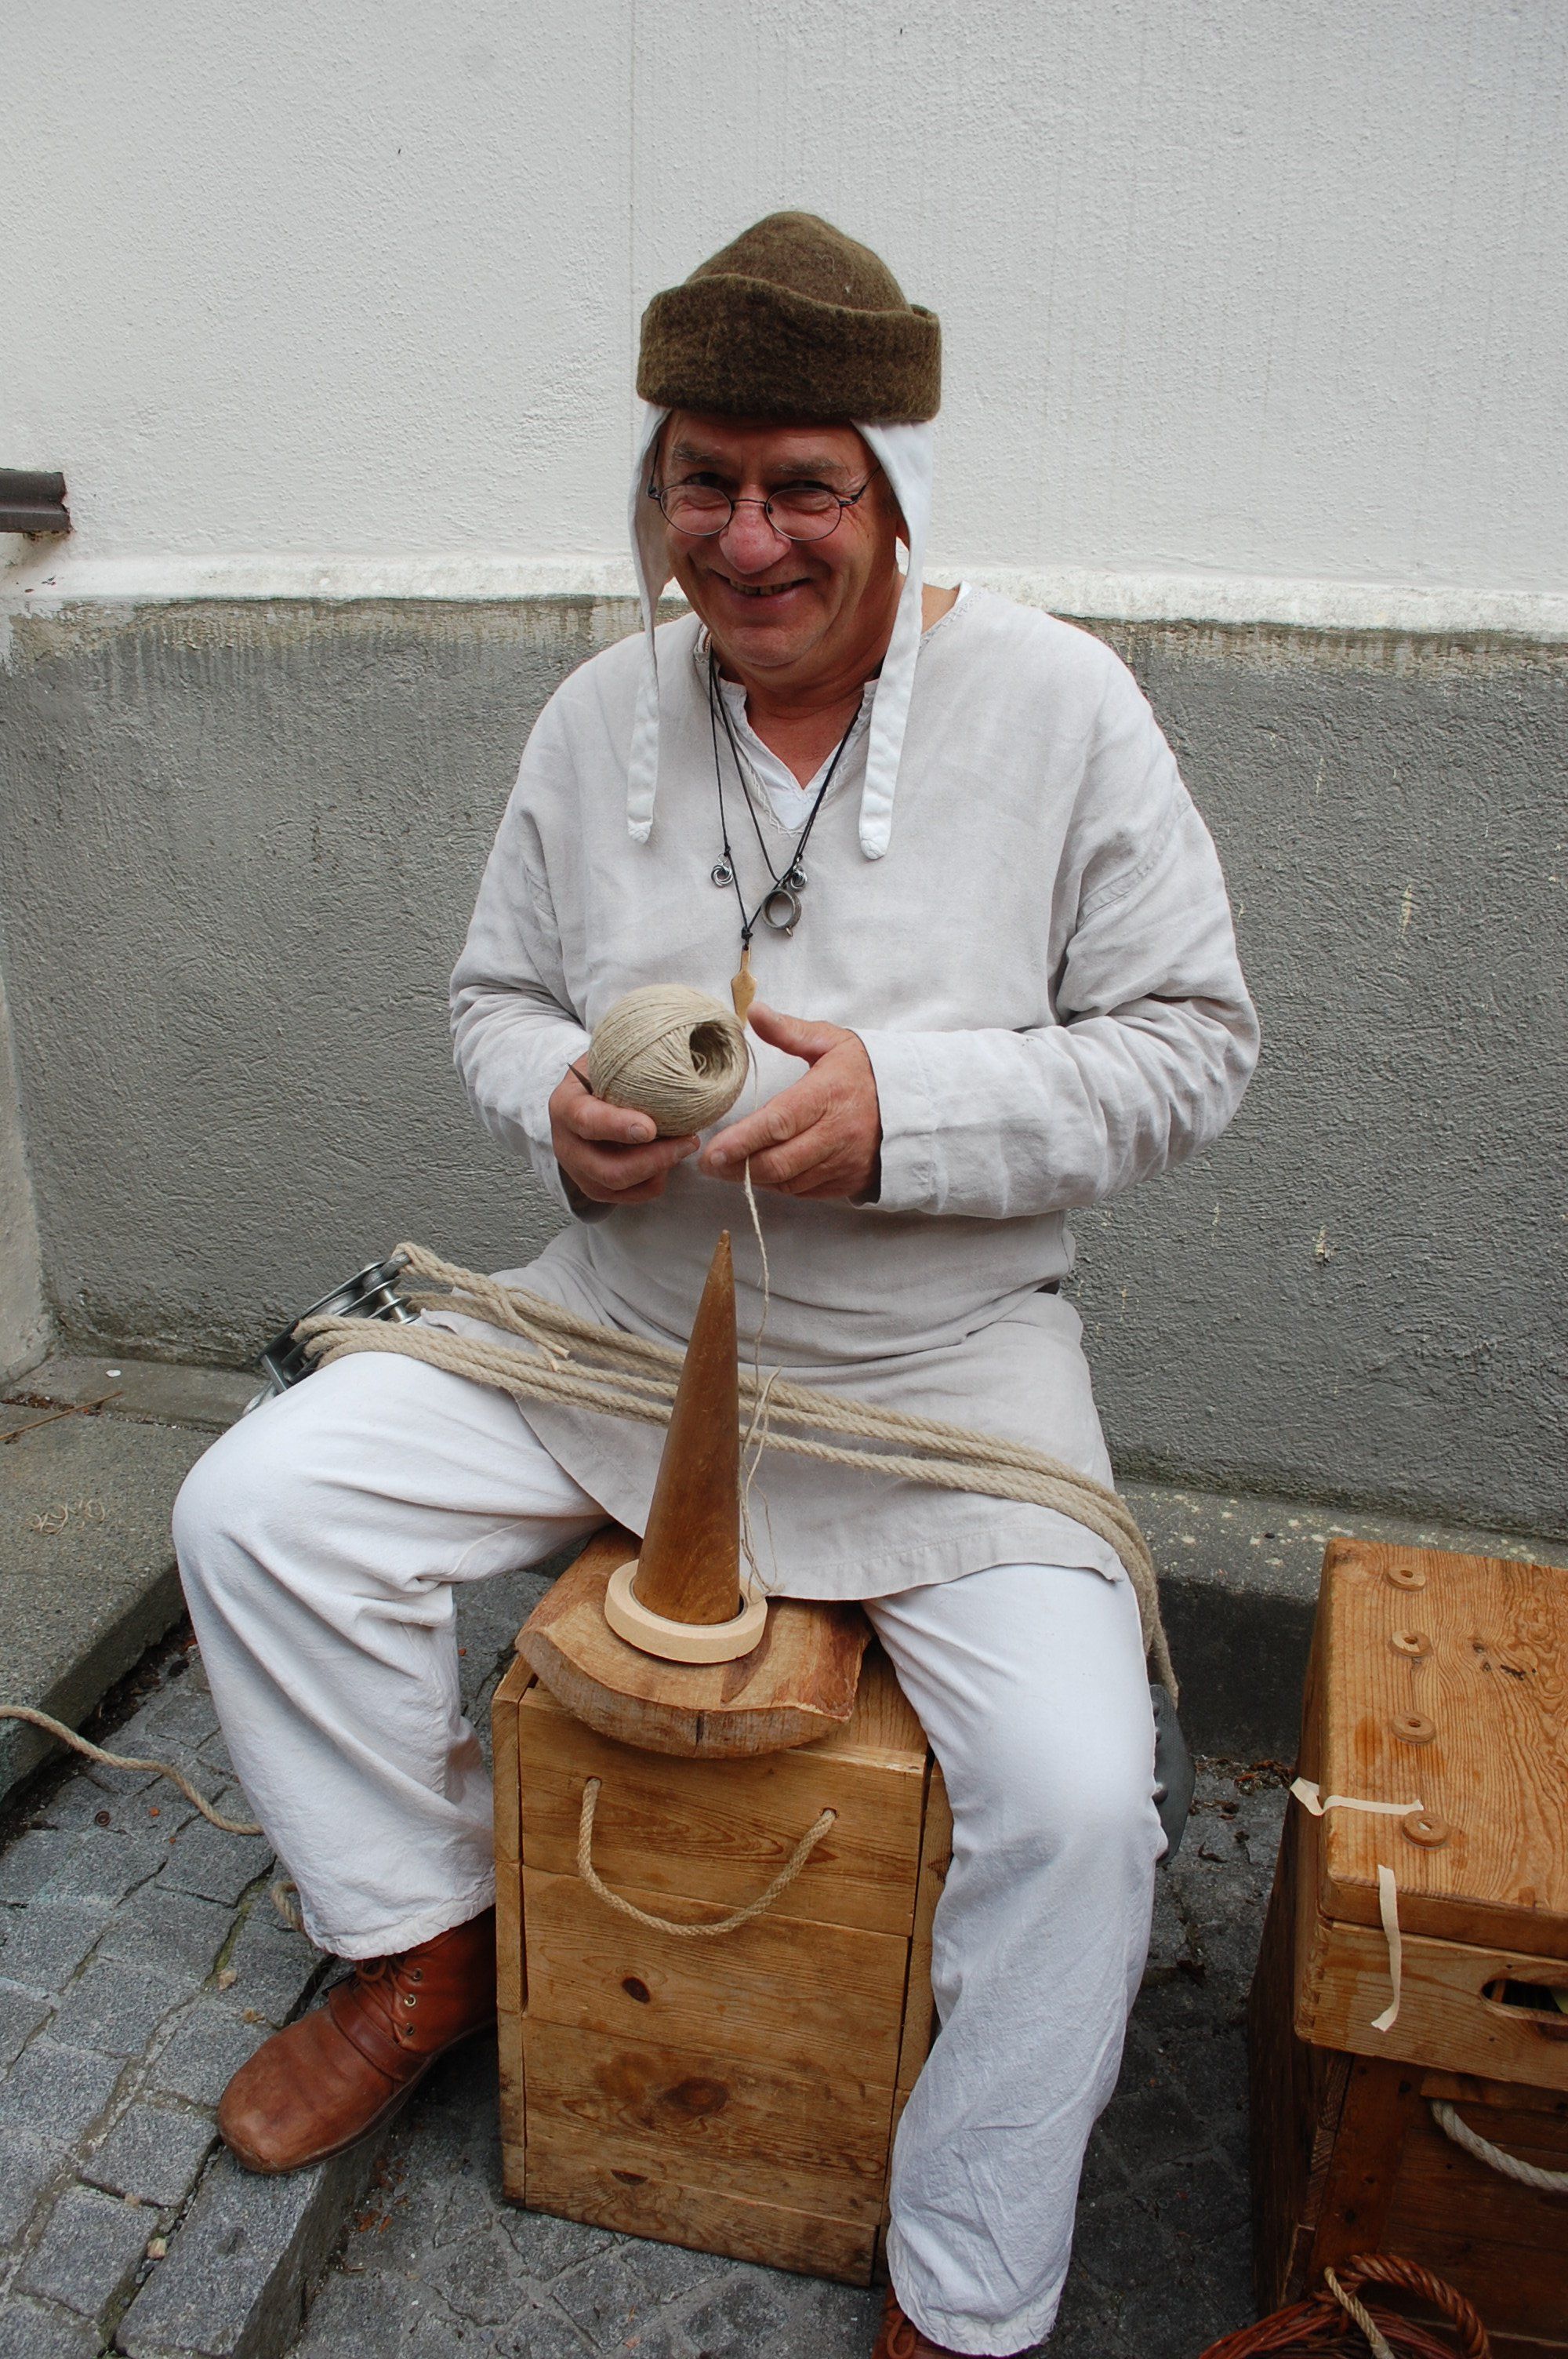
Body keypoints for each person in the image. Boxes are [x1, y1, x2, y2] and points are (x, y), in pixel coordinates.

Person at [173, 213, 1258, 2357]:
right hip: (619, 1325)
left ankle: (966, 2283)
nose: (748, 541)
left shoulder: (1060, 707)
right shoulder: (601, 717)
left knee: (1078, 1802)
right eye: (705, 481)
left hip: (939, 1366)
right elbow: (494, 997)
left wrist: (906, 1117)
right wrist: (554, 1112)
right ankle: (422, 1937)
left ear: (892, 495)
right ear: (658, 487)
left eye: (802, 487)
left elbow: (1194, 1046)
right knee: (259, 1510)